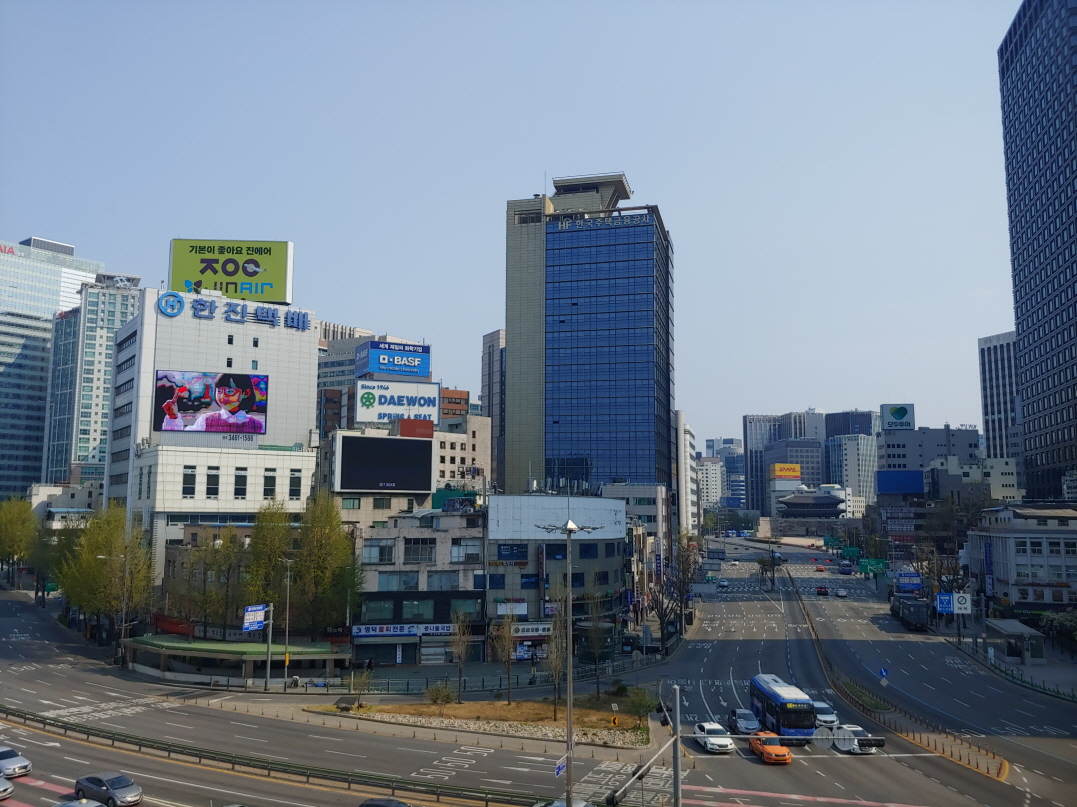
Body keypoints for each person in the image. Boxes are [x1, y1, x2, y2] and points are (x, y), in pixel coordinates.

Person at [161, 373, 265, 433]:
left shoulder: (258, 425)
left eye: (230, 392)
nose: (223, 397)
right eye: (219, 391)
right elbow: (182, 440)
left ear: (245, 393)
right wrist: (173, 416)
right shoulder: (206, 420)